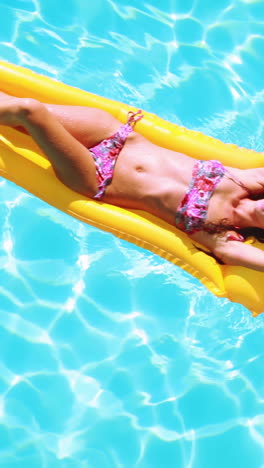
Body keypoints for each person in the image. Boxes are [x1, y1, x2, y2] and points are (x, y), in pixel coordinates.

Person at [0, 91, 264, 271]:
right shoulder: (247, 181)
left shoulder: (224, 237)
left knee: (29, 111)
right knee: (13, 106)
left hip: (96, 177)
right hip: (116, 136)